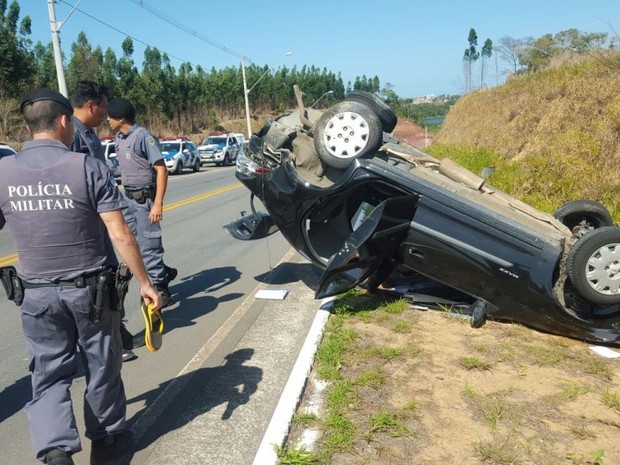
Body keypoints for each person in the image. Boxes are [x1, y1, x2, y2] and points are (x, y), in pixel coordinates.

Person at [0, 88, 162, 465]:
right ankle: (106, 441)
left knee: (48, 373)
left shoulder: (3, 172)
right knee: (101, 364)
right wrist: (146, 283)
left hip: (36, 296)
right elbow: (120, 234)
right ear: (62, 121)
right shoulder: (85, 167)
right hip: (90, 293)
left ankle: (56, 451)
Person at [69, 81, 138, 362]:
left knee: (109, 277)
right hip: (86, 223)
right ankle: (101, 341)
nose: (106, 114)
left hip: (101, 218)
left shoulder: (88, 133)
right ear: (90, 105)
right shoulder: (71, 134)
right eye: (104, 107)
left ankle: (114, 332)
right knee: (97, 281)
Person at [107, 97, 176, 307]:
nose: (107, 119)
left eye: (111, 116)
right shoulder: (119, 138)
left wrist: (157, 203)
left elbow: (161, 170)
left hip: (145, 199)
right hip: (126, 199)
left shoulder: (143, 137)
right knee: (133, 244)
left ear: (121, 118)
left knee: (149, 245)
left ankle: (161, 289)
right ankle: (163, 272)